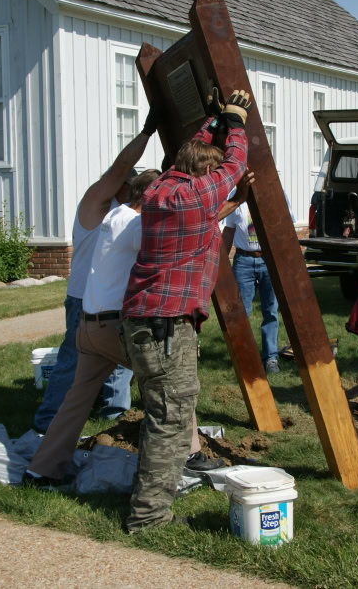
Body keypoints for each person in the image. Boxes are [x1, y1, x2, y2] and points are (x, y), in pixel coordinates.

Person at [24, 170, 224, 486]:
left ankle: (42, 469)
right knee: (175, 375)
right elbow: (181, 239)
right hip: (112, 327)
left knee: (75, 403)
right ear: (150, 197)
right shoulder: (136, 226)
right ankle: (191, 454)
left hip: (88, 326)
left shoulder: (115, 215)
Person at [119, 89, 252, 533]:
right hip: (166, 328)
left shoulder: (160, 187)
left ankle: (150, 504)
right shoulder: (194, 195)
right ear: (204, 175)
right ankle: (149, 518)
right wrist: (235, 122)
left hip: (145, 322)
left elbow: (190, 156)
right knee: (171, 420)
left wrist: (213, 119)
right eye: (211, 175)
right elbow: (234, 164)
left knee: (164, 413)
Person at [32, 108, 161, 433]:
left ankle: (114, 422)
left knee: (120, 368)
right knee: (71, 364)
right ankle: (47, 425)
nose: (131, 189)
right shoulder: (94, 208)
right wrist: (146, 133)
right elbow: (117, 168)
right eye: (128, 184)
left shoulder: (135, 216)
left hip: (120, 304)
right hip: (83, 301)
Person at [220, 189, 292, 373]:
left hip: (269, 260)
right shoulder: (236, 195)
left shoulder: (276, 193)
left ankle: (270, 358)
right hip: (243, 260)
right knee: (241, 311)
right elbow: (229, 231)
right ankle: (244, 357)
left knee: (271, 311)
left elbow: (285, 227)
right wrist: (219, 263)